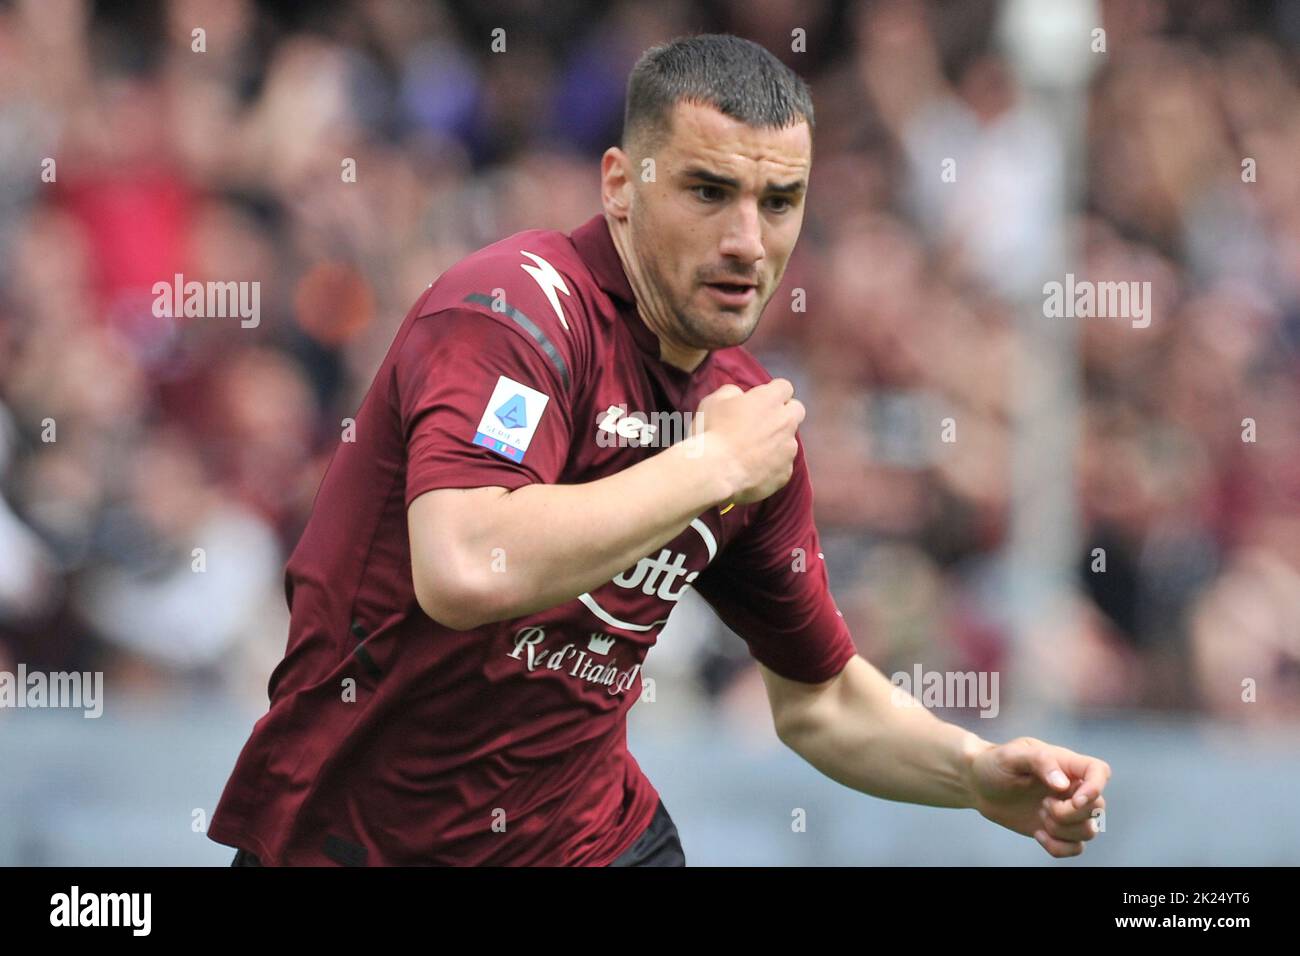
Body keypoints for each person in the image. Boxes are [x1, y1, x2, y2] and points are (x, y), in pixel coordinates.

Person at [210, 33, 1109, 867]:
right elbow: (464, 566)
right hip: (350, 840)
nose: (747, 243)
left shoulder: (742, 418)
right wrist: (704, 469)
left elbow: (821, 702)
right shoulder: (516, 315)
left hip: (591, 843)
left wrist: (975, 772)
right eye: (709, 191)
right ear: (620, 184)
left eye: (780, 202)